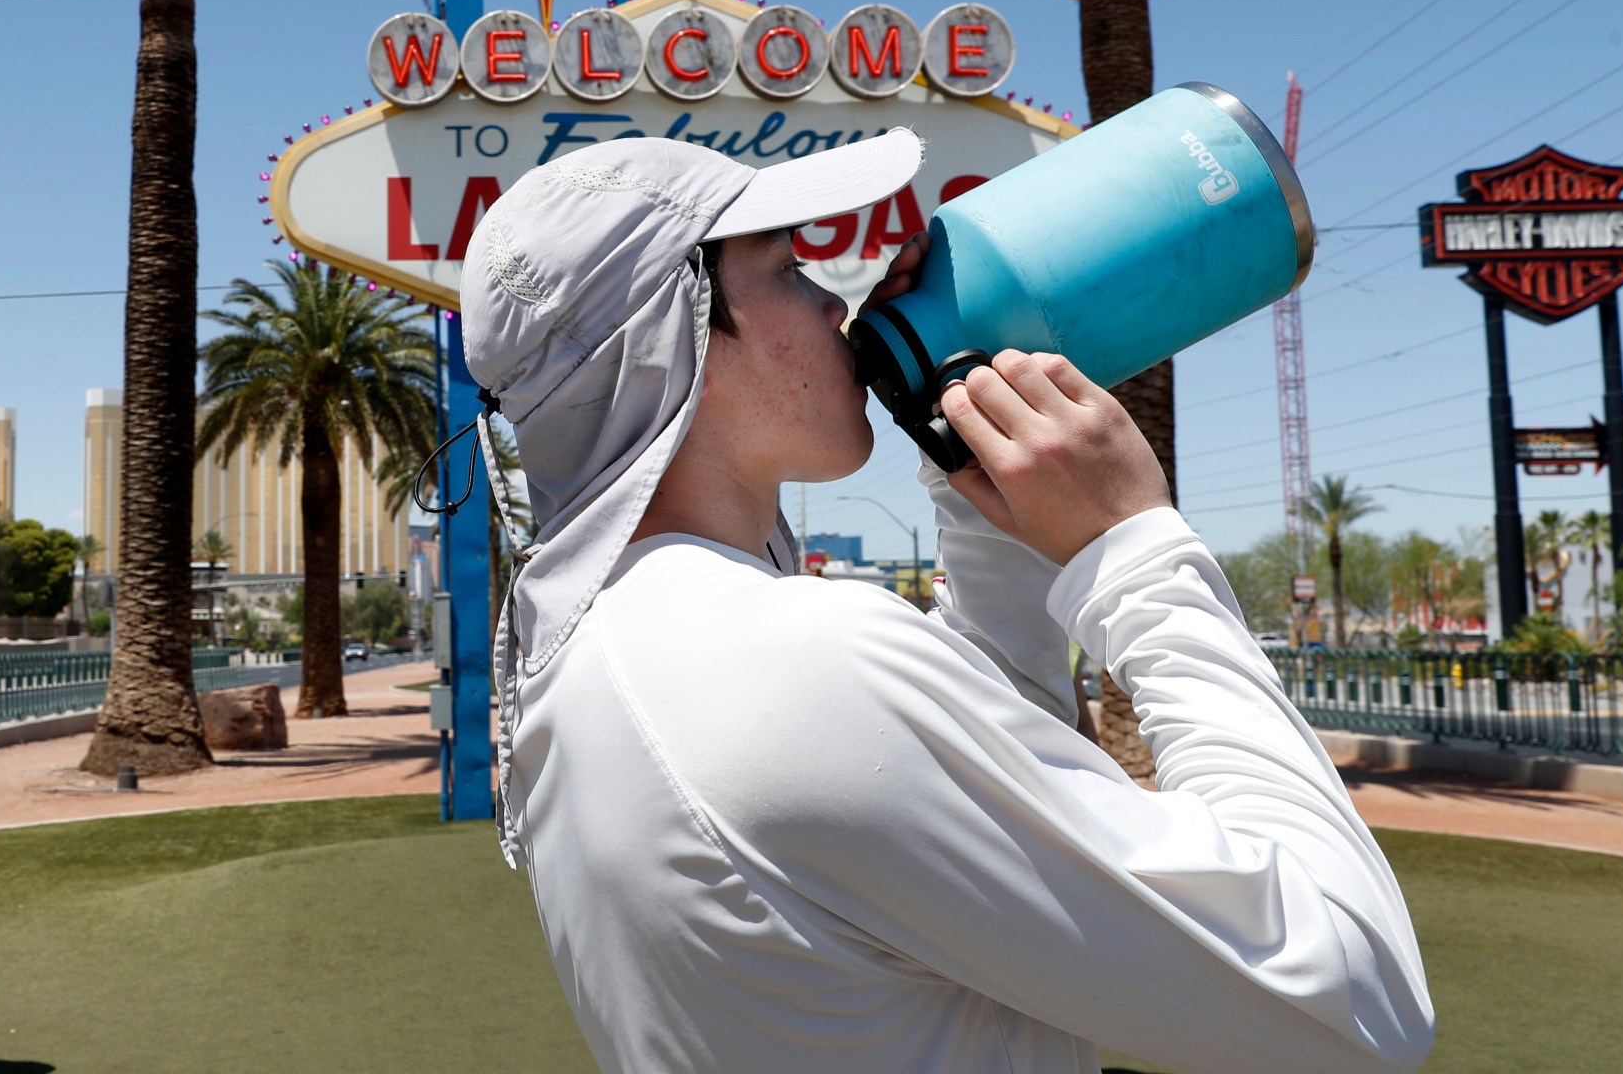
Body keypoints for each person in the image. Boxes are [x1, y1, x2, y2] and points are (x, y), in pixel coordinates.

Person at [456, 135, 1430, 1074]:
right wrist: (1132, 548)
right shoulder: (789, 661)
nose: (835, 301)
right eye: (788, 270)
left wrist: (964, 466)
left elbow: (986, 783)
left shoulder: (601, 654)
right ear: (679, 337)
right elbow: (1358, 999)